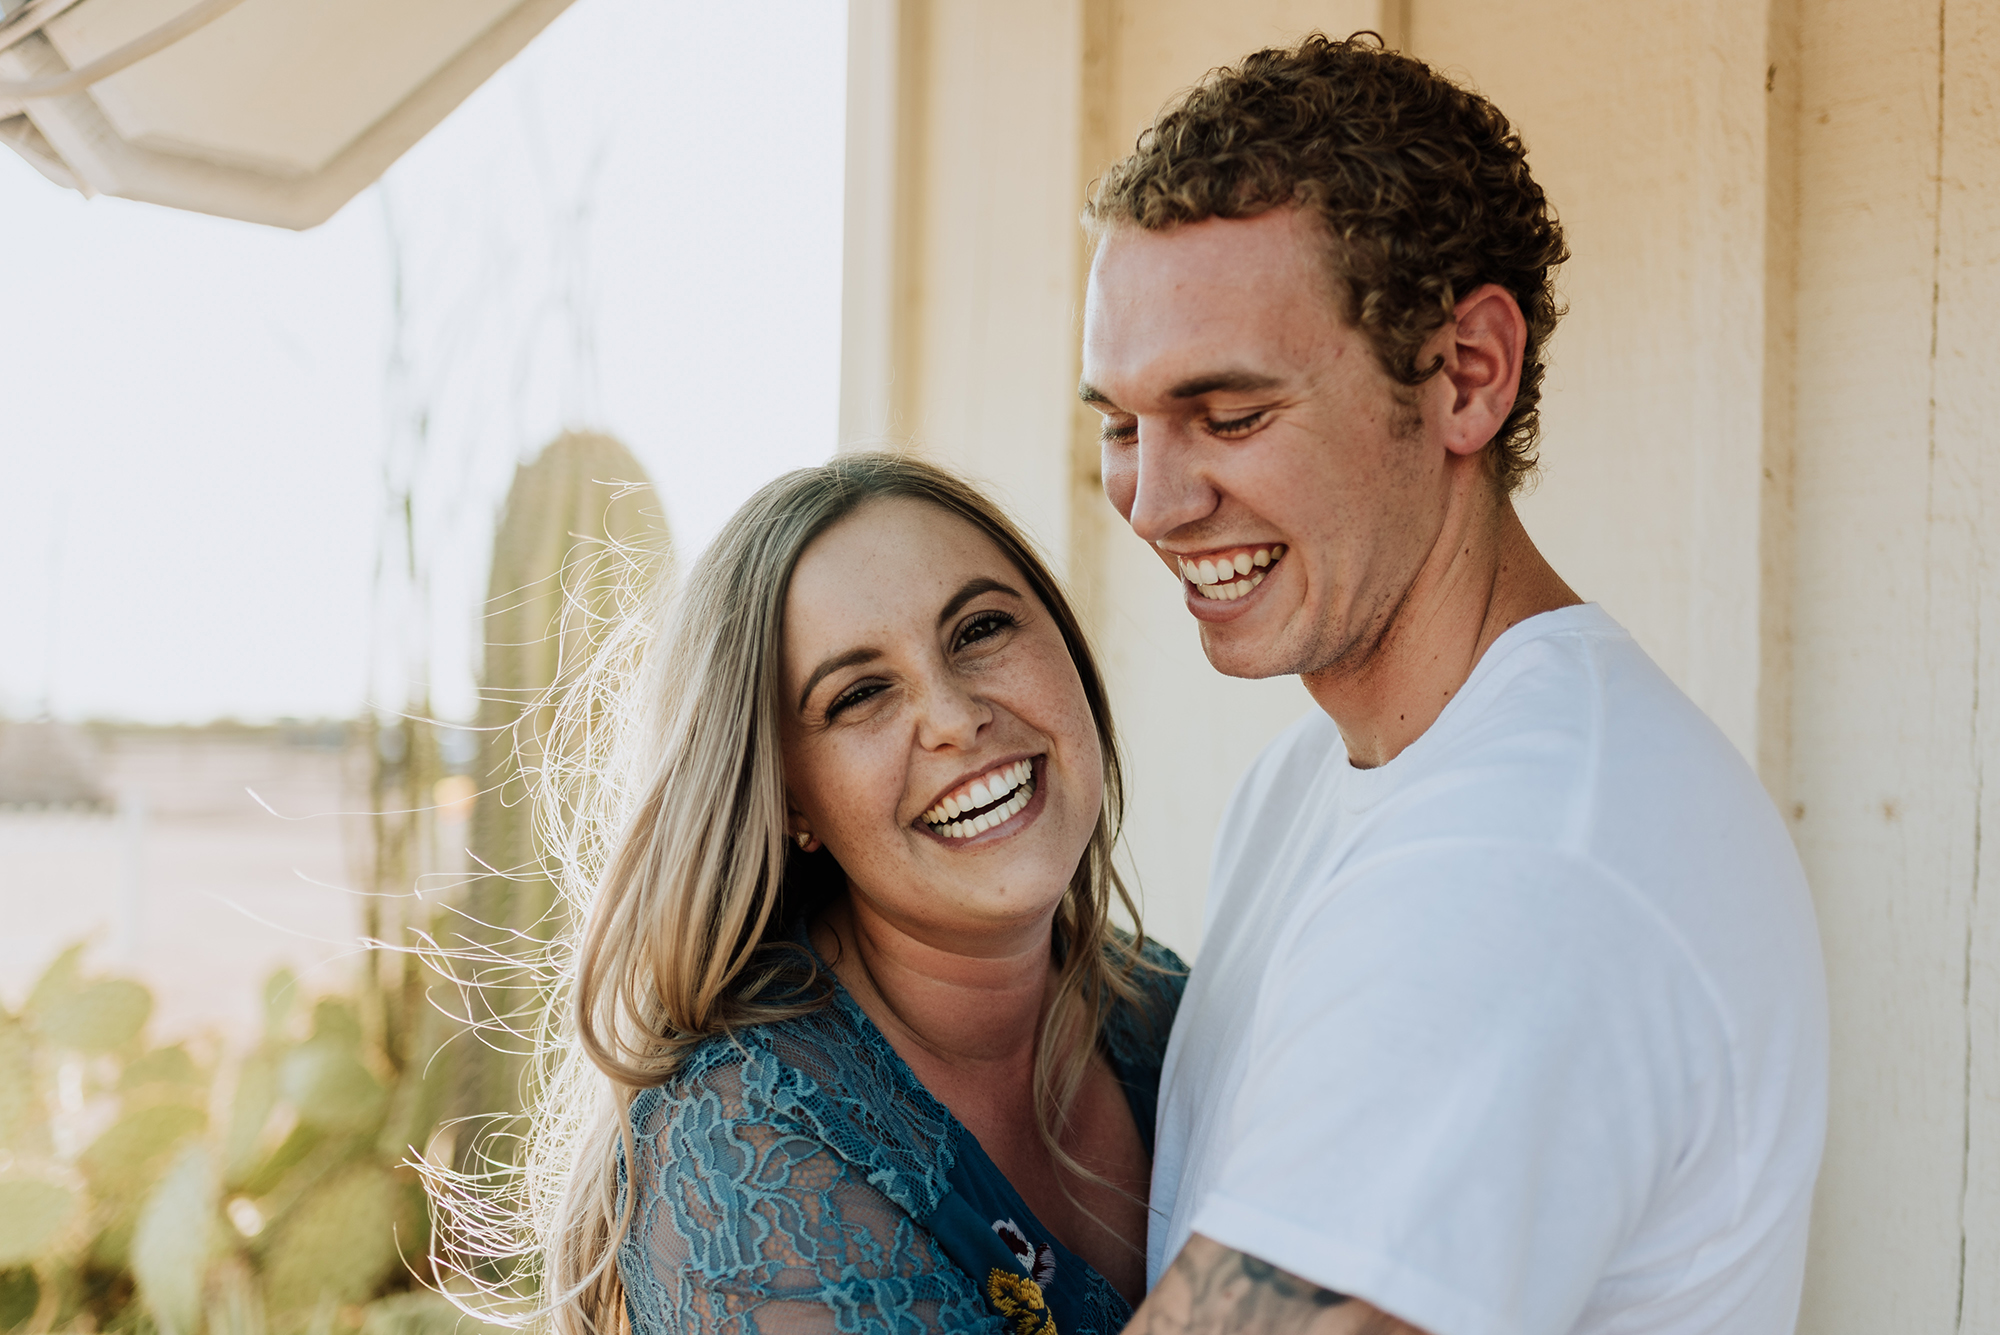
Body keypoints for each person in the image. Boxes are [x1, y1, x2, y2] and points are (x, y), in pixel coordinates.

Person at [1076, 34, 1829, 1335]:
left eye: (1230, 413)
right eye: (1122, 423)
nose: (1154, 497)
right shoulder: (1313, 780)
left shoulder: (1530, 851)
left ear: (1468, 373)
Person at [530, 454, 1184, 1335]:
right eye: (862, 693)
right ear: (789, 797)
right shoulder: (741, 1152)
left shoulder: (1166, 1009)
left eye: (982, 628)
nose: (954, 717)